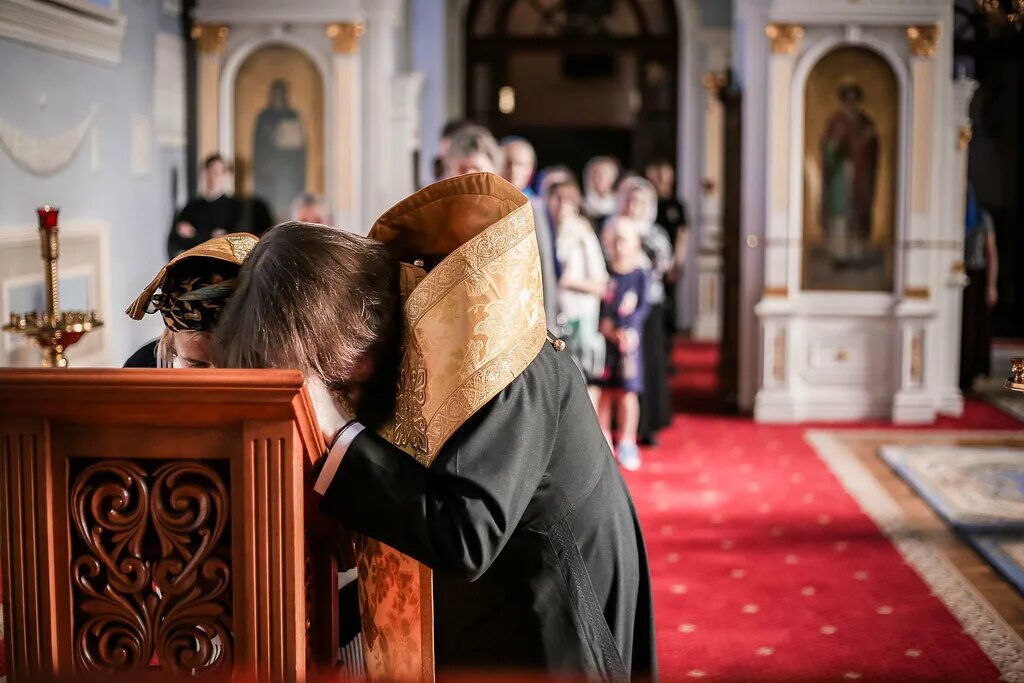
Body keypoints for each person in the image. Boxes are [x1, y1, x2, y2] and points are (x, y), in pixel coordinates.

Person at [214, 173, 656, 680]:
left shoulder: (493, 350)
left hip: (554, 589)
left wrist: (337, 429)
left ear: (348, 333)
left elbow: (467, 535)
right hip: (490, 589)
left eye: (318, 375)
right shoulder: (397, 339)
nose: (324, 391)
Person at [126, 232, 259, 368]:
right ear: (171, 340)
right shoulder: (142, 370)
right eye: (197, 364)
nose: (213, 380)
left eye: (233, 364)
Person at [607, 177, 674, 446]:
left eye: (641, 202)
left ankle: (647, 425)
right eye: (631, 200)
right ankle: (616, 426)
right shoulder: (612, 226)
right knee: (616, 366)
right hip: (616, 306)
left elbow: (663, 264)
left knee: (649, 362)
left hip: (648, 304)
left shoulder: (654, 233)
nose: (635, 206)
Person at [596, 218, 651, 471]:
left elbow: (642, 308)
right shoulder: (605, 271)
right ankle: (604, 438)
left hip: (629, 343)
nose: (619, 246)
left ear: (635, 244)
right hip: (606, 340)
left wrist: (627, 330)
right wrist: (606, 327)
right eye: (615, 240)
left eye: (624, 240)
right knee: (606, 392)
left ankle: (628, 441)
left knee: (628, 392)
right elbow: (600, 304)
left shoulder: (640, 275)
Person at [548, 177, 608, 404]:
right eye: (557, 199)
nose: (562, 205)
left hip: (578, 317)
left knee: (581, 380)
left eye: (568, 200)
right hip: (553, 318)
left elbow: (601, 284)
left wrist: (570, 282)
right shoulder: (545, 231)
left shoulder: (582, 234)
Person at [821, 80, 879, 266]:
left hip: (861, 172)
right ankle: (839, 252)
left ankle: (855, 252)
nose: (851, 103)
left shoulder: (864, 120)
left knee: (857, 211)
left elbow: (871, 146)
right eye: (848, 99)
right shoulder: (836, 120)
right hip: (840, 173)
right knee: (840, 214)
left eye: (855, 99)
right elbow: (828, 147)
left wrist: (869, 140)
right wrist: (835, 145)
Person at [960, 183, 999, 392]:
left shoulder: (983, 219)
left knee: (973, 327)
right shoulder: (954, 216)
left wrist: (991, 286)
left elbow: (991, 254)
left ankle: (971, 375)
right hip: (956, 276)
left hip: (976, 277)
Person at [644, 158, 689, 338]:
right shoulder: (648, 202)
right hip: (648, 264)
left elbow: (682, 235)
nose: (662, 178)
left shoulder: (676, 205)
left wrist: (676, 263)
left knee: (669, 307)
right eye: (658, 173)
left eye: (665, 174)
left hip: (668, 264)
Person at [167, 154, 243, 259]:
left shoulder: (235, 207)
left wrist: (195, 235)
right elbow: (178, 242)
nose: (212, 176)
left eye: (217, 173)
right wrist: (213, 236)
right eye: (209, 172)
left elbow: (232, 243)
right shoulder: (190, 207)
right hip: (195, 266)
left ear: (224, 175)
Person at [253, 79, 307, 221]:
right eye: (275, 94)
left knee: (286, 199)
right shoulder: (264, 116)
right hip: (268, 167)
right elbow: (257, 144)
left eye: (280, 94)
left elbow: (301, 146)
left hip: (287, 168)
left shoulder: (292, 115)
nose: (278, 97)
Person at [582, 156, 621, 233]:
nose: (598, 178)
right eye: (595, 174)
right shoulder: (582, 206)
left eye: (603, 174)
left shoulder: (620, 204)